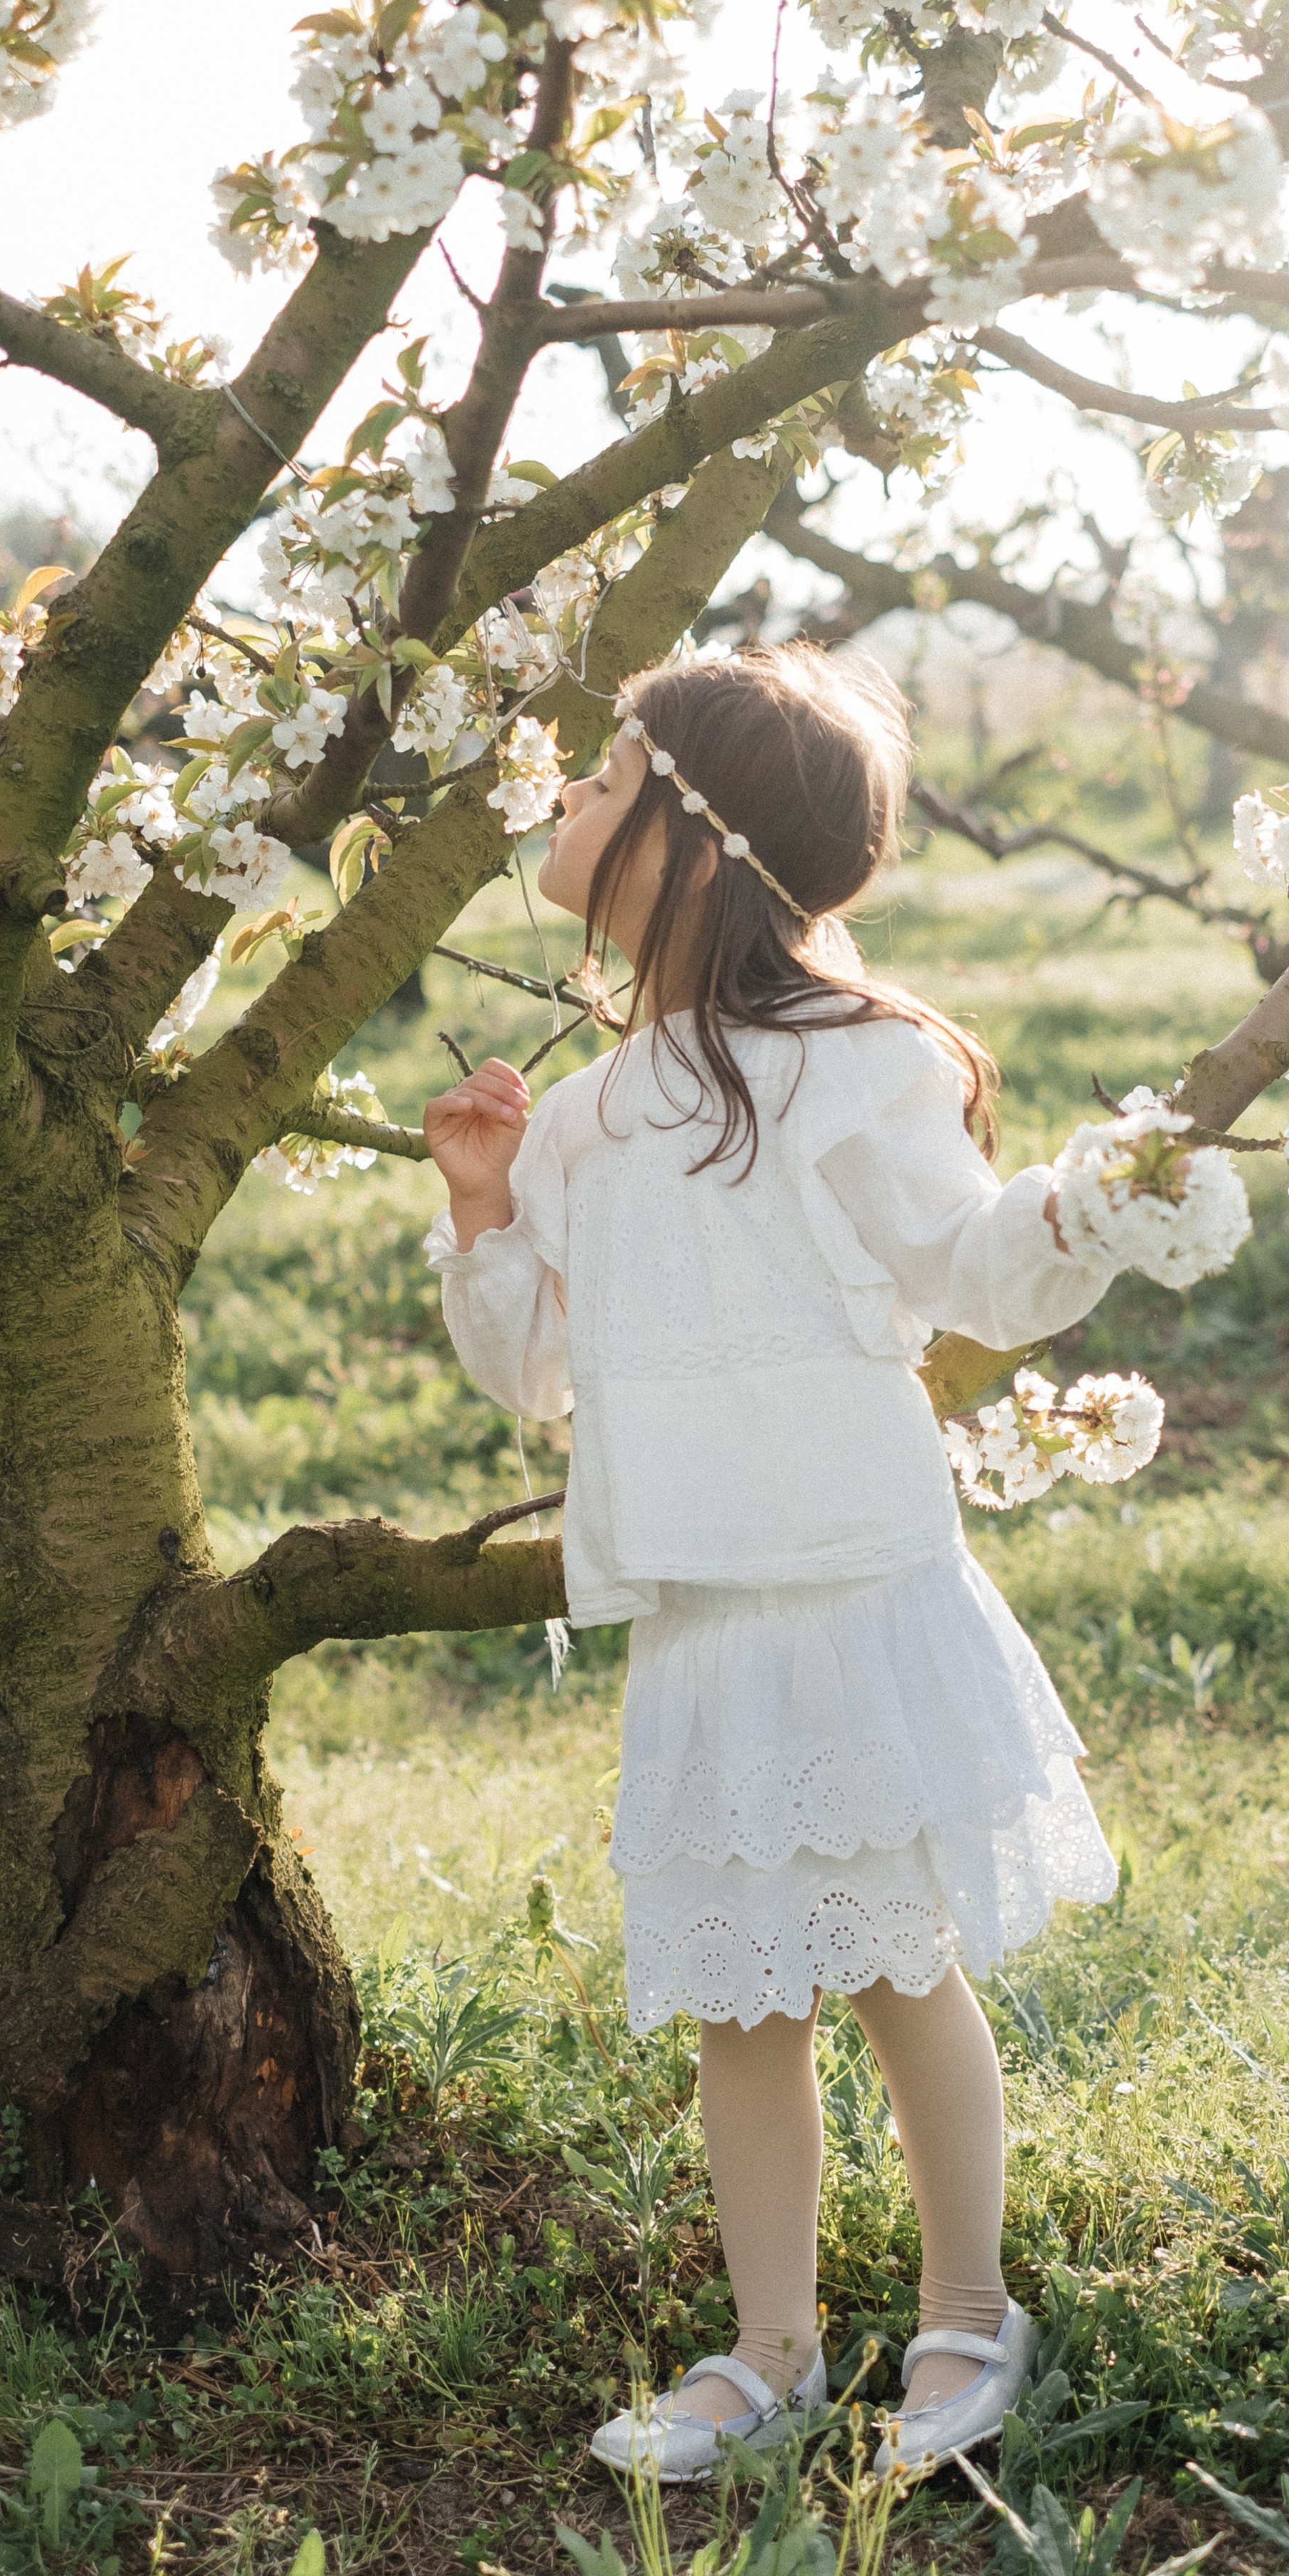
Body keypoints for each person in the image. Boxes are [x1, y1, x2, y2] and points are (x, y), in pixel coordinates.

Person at [420, 644, 1119, 2481]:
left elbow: (974, 1270)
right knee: (740, 1994)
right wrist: (485, 1208)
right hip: (703, 1616)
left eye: (599, 779)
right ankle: (771, 2349)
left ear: (687, 838)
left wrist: (1097, 1199)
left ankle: (965, 2312)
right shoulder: (588, 1116)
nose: (564, 799)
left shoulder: (852, 1066)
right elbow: (534, 1372)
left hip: (851, 1590)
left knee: (894, 1967)